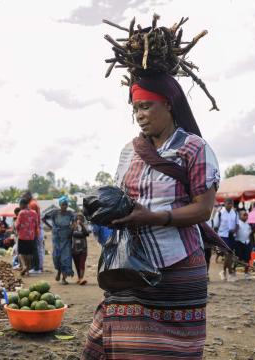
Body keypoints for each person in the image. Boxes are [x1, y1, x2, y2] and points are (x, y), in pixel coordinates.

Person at [83, 74, 219, 360]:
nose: (140, 116)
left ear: (168, 104)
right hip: (130, 264)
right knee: (120, 342)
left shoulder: (194, 148)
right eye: (135, 109)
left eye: (146, 106)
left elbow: (204, 209)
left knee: (170, 351)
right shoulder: (129, 151)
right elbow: (123, 197)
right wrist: (106, 209)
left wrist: (154, 217)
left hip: (177, 266)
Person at [43, 197, 75, 284]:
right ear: (60, 205)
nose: (64, 206)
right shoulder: (54, 212)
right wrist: (51, 227)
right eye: (62, 205)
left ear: (67, 205)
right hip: (56, 237)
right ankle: (58, 272)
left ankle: (64, 278)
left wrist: (71, 230)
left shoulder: (70, 213)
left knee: (66, 257)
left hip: (66, 237)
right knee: (57, 257)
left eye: (66, 205)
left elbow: (74, 223)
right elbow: (44, 218)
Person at [214, 198, 238, 281]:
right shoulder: (220, 213)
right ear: (224, 203)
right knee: (227, 254)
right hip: (223, 236)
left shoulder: (235, 212)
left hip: (231, 236)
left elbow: (237, 224)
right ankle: (230, 273)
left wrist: (234, 230)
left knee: (230, 255)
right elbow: (216, 226)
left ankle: (223, 271)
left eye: (231, 203)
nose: (230, 205)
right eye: (228, 203)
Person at [14, 199, 39, 276]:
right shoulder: (34, 213)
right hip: (31, 236)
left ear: (22, 204)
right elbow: (36, 224)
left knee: (21, 253)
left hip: (22, 236)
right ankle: (27, 271)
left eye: (20, 205)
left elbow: (17, 225)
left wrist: (17, 230)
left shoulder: (21, 213)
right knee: (29, 254)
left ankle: (24, 266)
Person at [23, 192, 44, 274]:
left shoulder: (32, 204)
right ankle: (39, 267)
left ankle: (37, 268)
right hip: (38, 228)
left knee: (36, 249)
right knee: (39, 249)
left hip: (35, 229)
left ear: (28, 197)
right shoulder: (34, 203)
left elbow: (32, 219)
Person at [235, 210, 253, 280]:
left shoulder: (248, 224)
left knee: (247, 259)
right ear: (240, 216)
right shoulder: (237, 224)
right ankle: (233, 272)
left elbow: (249, 233)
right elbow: (234, 233)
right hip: (239, 242)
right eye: (244, 215)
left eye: (246, 215)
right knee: (238, 259)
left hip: (247, 243)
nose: (246, 216)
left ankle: (246, 274)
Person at [72, 214, 89, 285]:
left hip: (83, 248)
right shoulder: (73, 226)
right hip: (74, 248)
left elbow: (87, 234)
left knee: (82, 263)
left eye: (81, 218)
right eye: (78, 218)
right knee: (77, 264)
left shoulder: (85, 226)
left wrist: (82, 225)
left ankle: (81, 278)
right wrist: (73, 227)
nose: (79, 219)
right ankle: (79, 278)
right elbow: (69, 234)